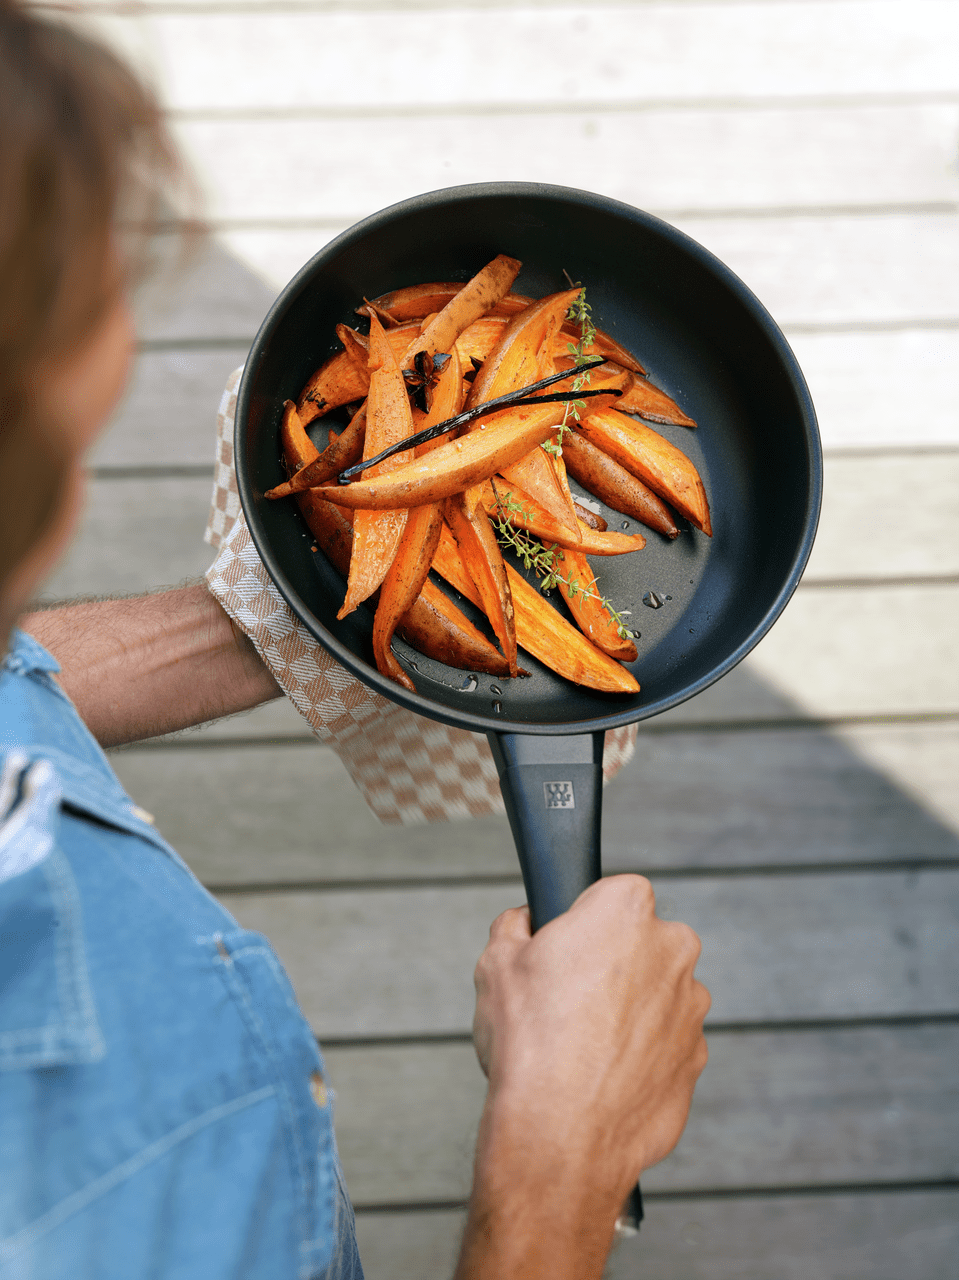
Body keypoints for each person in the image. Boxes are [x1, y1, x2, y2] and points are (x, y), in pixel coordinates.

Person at [0, 3, 710, 1276]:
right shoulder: (94, 1168)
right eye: (101, 282)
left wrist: (271, 626)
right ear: (48, 387)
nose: (128, 325)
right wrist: (556, 1153)